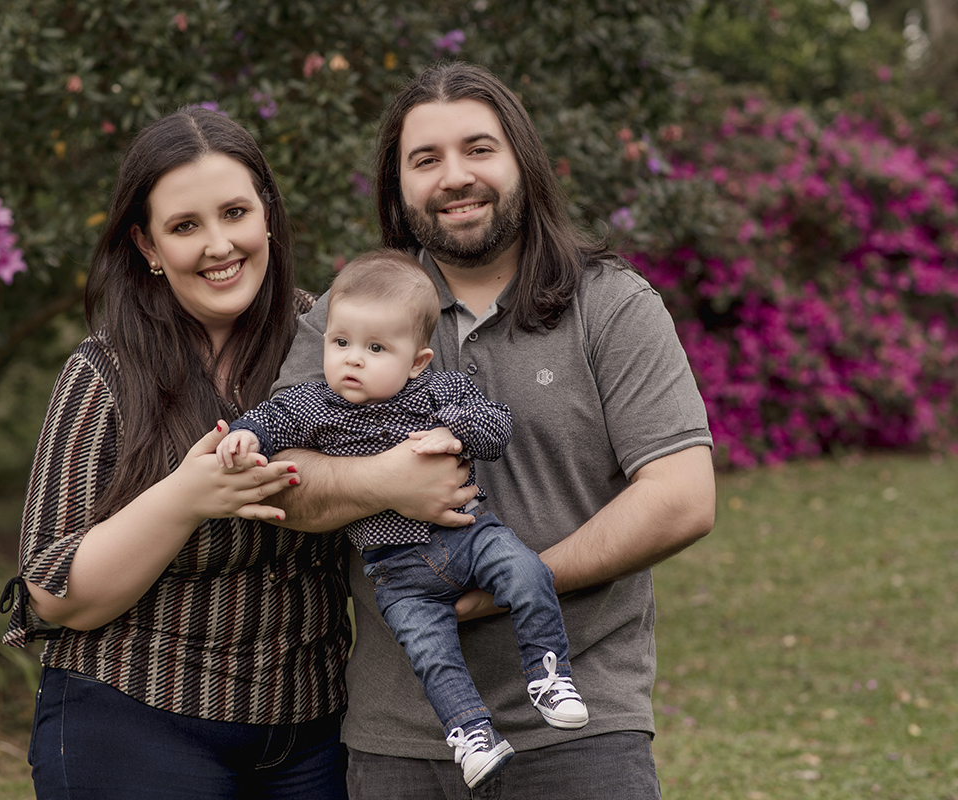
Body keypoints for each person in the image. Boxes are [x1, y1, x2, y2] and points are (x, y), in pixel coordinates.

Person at [268, 62, 717, 799]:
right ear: (398, 184)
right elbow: (285, 485)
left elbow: (682, 496)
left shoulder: (611, 305)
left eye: (479, 149)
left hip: (584, 730)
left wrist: (514, 581)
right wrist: (385, 481)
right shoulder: (348, 320)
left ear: (521, 162)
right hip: (399, 740)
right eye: (425, 159)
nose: (455, 176)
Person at [0, 106, 352, 799]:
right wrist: (184, 499)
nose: (219, 245)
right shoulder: (106, 371)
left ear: (269, 217)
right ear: (148, 247)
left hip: (313, 731)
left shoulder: (329, 343)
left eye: (234, 213)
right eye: (186, 227)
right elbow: (52, 586)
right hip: (136, 719)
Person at [217, 249, 588, 790]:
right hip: (395, 570)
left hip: (467, 536)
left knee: (527, 574)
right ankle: (471, 733)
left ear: (416, 361)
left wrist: (455, 433)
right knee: (430, 652)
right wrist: (249, 434)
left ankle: (548, 673)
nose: (352, 360)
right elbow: (273, 420)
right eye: (340, 343)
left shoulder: (438, 393)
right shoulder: (315, 403)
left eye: (375, 348)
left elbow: (495, 426)